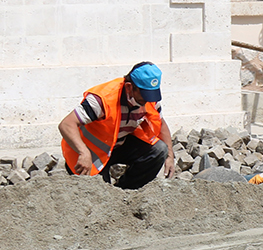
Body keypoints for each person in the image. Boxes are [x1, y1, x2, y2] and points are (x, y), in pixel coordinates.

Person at [59, 61, 176, 189]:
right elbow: (66, 124)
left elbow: (162, 124)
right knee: (100, 196)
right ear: (129, 87)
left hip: (118, 146)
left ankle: (127, 191)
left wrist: (170, 157)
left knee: (159, 149)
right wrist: (83, 152)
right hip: (92, 153)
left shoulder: (149, 100)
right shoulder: (102, 99)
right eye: (143, 96)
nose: (147, 101)